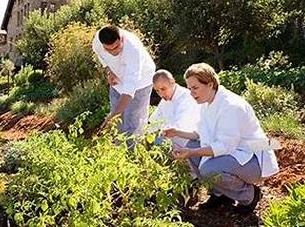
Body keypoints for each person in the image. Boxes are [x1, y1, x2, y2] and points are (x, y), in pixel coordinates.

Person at [164, 63, 279, 213]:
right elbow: (199, 134)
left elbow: (224, 146)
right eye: (189, 89)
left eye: (195, 88)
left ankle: (250, 195)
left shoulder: (231, 106)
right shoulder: (207, 103)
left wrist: (191, 153)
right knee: (192, 145)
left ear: (210, 84)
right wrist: (177, 132)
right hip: (236, 152)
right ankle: (220, 194)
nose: (191, 93)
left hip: (255, 158)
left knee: (208, 168)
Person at [92, 25, 156, 146]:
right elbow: (101, 56)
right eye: (108, 50)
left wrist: (111, 117)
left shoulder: (133, 50)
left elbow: (129, 91)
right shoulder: (98, 41)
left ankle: (133, 157)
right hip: (118, 81)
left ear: (122, 39)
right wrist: (109, 71)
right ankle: (119, 152)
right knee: (117, 124)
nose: (113, 52)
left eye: (116, 47)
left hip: (140, 82)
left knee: (133, 123)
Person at [150, 69, 200, 148]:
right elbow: (154, 121)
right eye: (157, 91)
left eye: (163, 89)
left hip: (192, 142)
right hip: (174, 140)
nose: (161, 94)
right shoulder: (165, 100)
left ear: (172, 82)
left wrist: (160, 130)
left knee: (158, 142)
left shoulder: (186, 98)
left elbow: (179, 127)